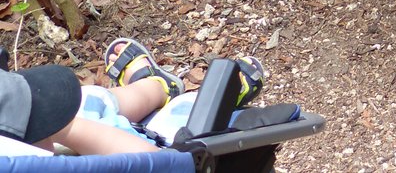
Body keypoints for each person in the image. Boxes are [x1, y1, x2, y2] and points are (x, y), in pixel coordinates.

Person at [0, 38, 264, 155]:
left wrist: (45, 123)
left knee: (90, 100)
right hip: (146, 143)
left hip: (36, 137)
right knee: (184, 114)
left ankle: (157, 86)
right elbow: (159, 164)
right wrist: (61, 128)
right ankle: (216, 99)